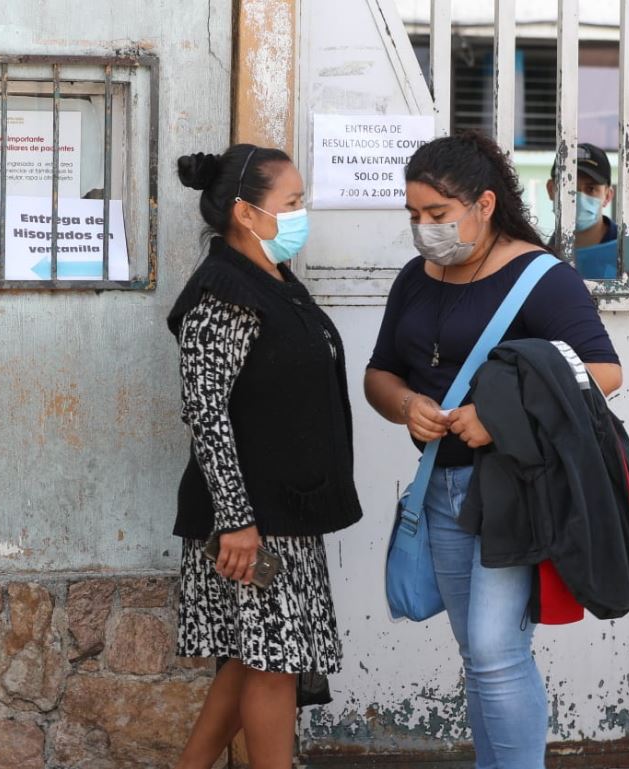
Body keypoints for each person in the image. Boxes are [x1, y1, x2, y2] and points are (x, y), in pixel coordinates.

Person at [364, 130, 623, 769]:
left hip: (514, 492)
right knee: (479, 655)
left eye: (437, 215)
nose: (424, 229)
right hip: (443, 490)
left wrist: (499, 418)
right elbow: (380, 372)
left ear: (483, 204)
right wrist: (404, 405)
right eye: (414, 216)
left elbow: (604, 372)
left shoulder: (542, 277)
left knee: (495, 649)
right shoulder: (414, 279)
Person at [167, 145, 363, 769]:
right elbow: (206, 410)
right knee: (272, 667)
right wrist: (237, 521)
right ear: (248, 214)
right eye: (293, 203)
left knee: (252, 662)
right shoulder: (223, 292)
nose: (304, 214)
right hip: (250, 522)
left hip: (282, 514)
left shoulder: (273, 280)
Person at [546, 142, 629, 280]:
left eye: (591, 189)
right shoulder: (540, 257)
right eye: (568, 187)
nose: (578, 197)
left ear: (607, 196)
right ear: (551, 189)